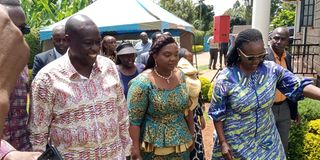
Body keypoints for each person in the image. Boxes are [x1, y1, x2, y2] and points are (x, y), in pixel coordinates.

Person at [28, 14, 131, 159]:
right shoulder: (47, 78)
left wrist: (126, 152)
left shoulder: (109, 67)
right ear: (69, 40)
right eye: (88, 43)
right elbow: (38, 134)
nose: (95, 48)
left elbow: (122, 115)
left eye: (97, 42)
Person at [209, 28, 320, 160]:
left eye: (261, 55)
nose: (256, 61)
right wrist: (222, 142)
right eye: (250, 58)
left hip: (267, 142)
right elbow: (217, 114)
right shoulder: (226, 79)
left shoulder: (271, 70)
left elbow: (298, 84)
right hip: (236, 145)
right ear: (239, 52)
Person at [128, 35, 195, 159]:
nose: (173, 59)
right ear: (155, 56)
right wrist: (135, 149)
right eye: (167, 55)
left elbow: (187, 108)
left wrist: (192, 133)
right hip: (154, 146)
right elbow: (134, 121)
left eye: (176, 54)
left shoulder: (180, 76)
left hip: (182, 141)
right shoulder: (142, 83)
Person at [0, 0, 41, 159]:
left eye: (23, 29)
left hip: (22, 147)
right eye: (8, 28)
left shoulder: (22, 64)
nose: (17, 36)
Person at [265, 27, 299, 155]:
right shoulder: (263, 57)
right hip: (268, 108)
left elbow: (292, 85)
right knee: (267, 143)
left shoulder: (288, 57)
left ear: (288, 41)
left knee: (283, 144)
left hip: (284, 107)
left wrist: (294, 111)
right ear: (271, 39)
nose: (279, 41)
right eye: (276, 38)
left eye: (282, 39)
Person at [177, 48, 206, 160]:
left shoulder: (193, 74)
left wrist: (201, 116)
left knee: (196, 147)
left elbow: (199, 97)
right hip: (181, 120)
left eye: (192, 61)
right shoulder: (175, 77)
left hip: (193, 118)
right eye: (188, 61)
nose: (190, 64)